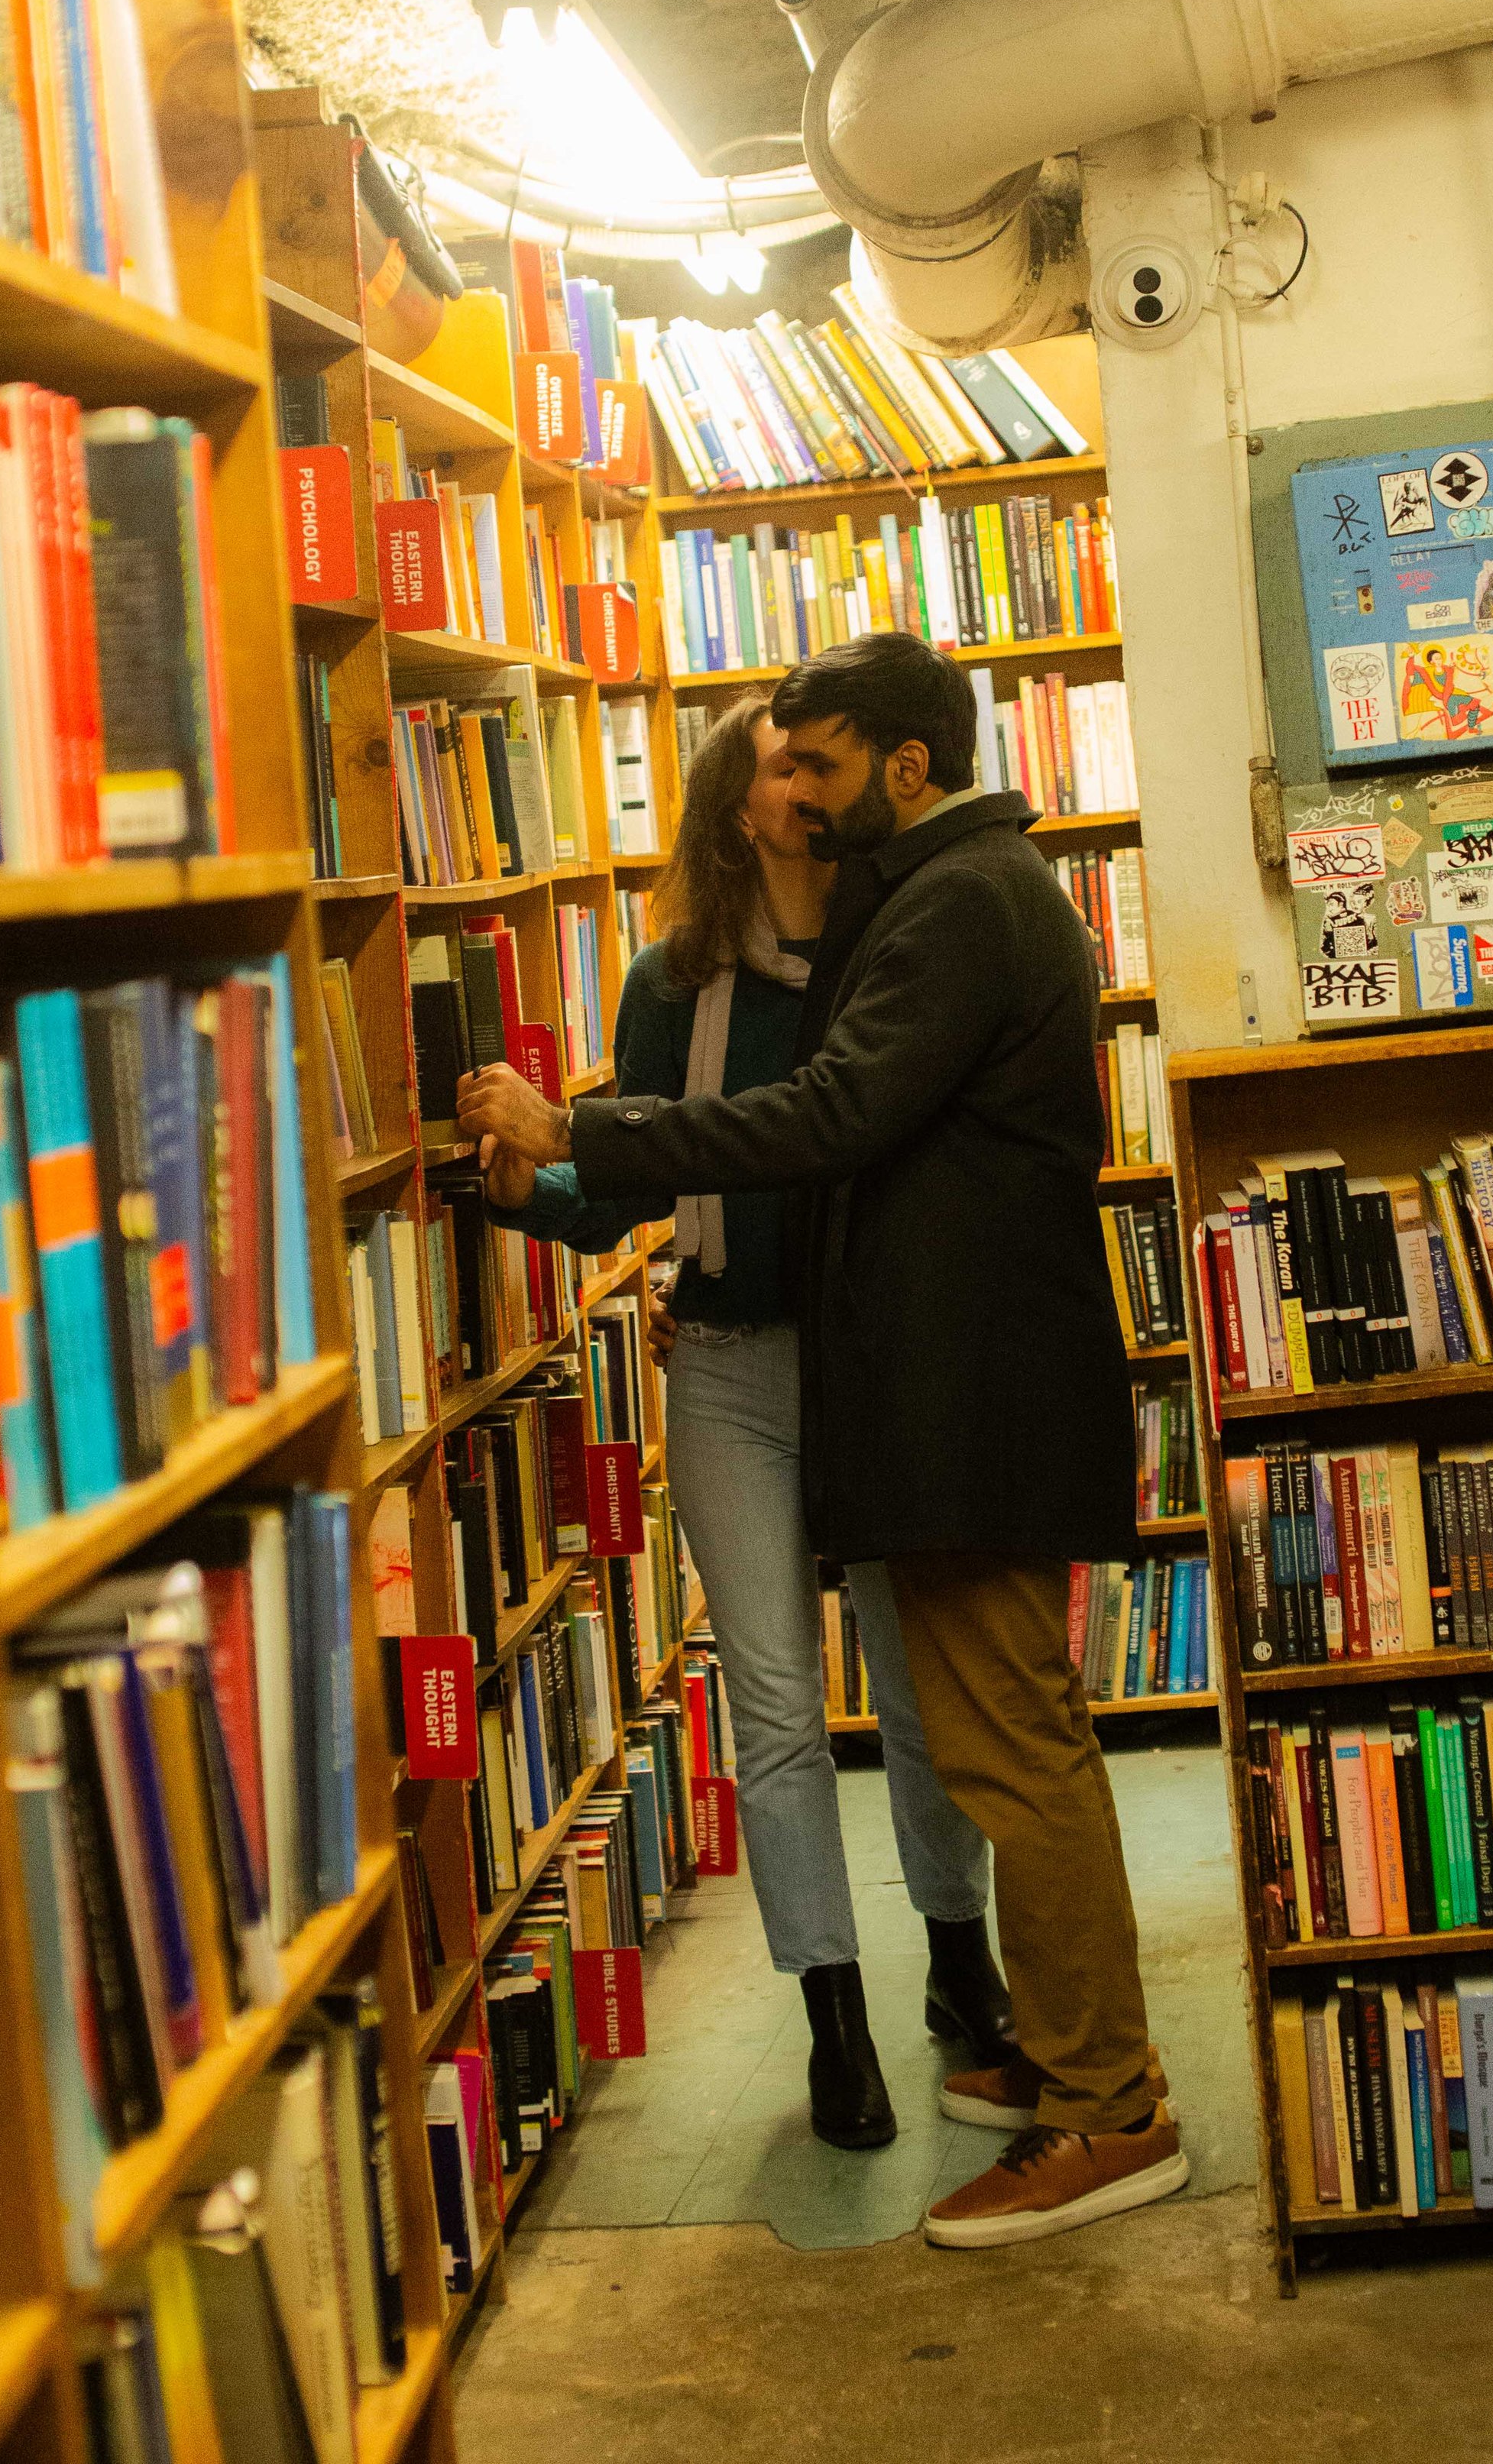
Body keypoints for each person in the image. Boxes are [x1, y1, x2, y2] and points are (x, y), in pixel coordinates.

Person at [459, 633, 1186, 2252]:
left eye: (813, 764)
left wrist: (576, 1122)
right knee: (990, 1735)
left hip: (961, 1391)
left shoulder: (948, 904)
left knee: (1011, 1747)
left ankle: (1108, 2106)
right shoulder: (925, 897)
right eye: (770, 769)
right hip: (915, 1385)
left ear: (901, 768)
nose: (777, 791)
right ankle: (1062, 2063)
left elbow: (831, 1116)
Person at [477, 694, 1013, 2152]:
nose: (811, 783)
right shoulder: (672, 985)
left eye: (817, 761)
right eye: (786, 766)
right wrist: (539, 1193)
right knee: (777, 1708)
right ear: (740, 809)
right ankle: (835, 2018)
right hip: (723, 1365)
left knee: (919, 1691)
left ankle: (962, 1970)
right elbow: (640, 1181)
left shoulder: (888, 956)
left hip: (872, 1366)